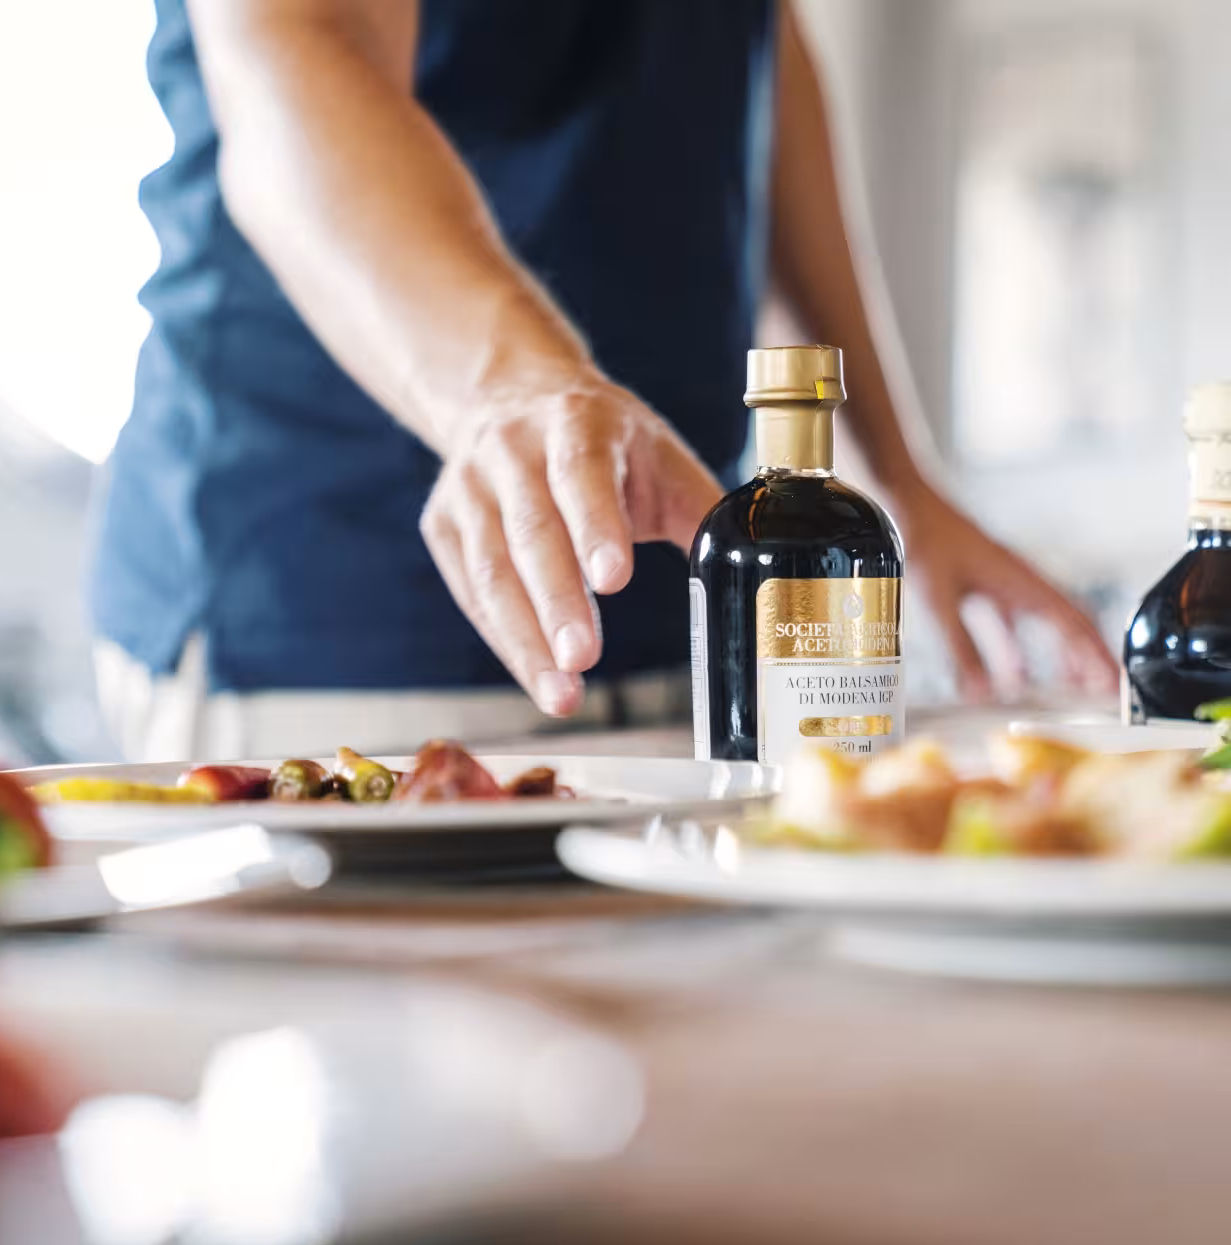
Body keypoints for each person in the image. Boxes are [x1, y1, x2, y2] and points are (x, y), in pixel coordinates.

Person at [90, 0, 1115, 762]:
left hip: (667, 600)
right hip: (333, 608)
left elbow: (751, 53)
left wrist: (893, 470)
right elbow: (300, 53)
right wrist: (512, 393)